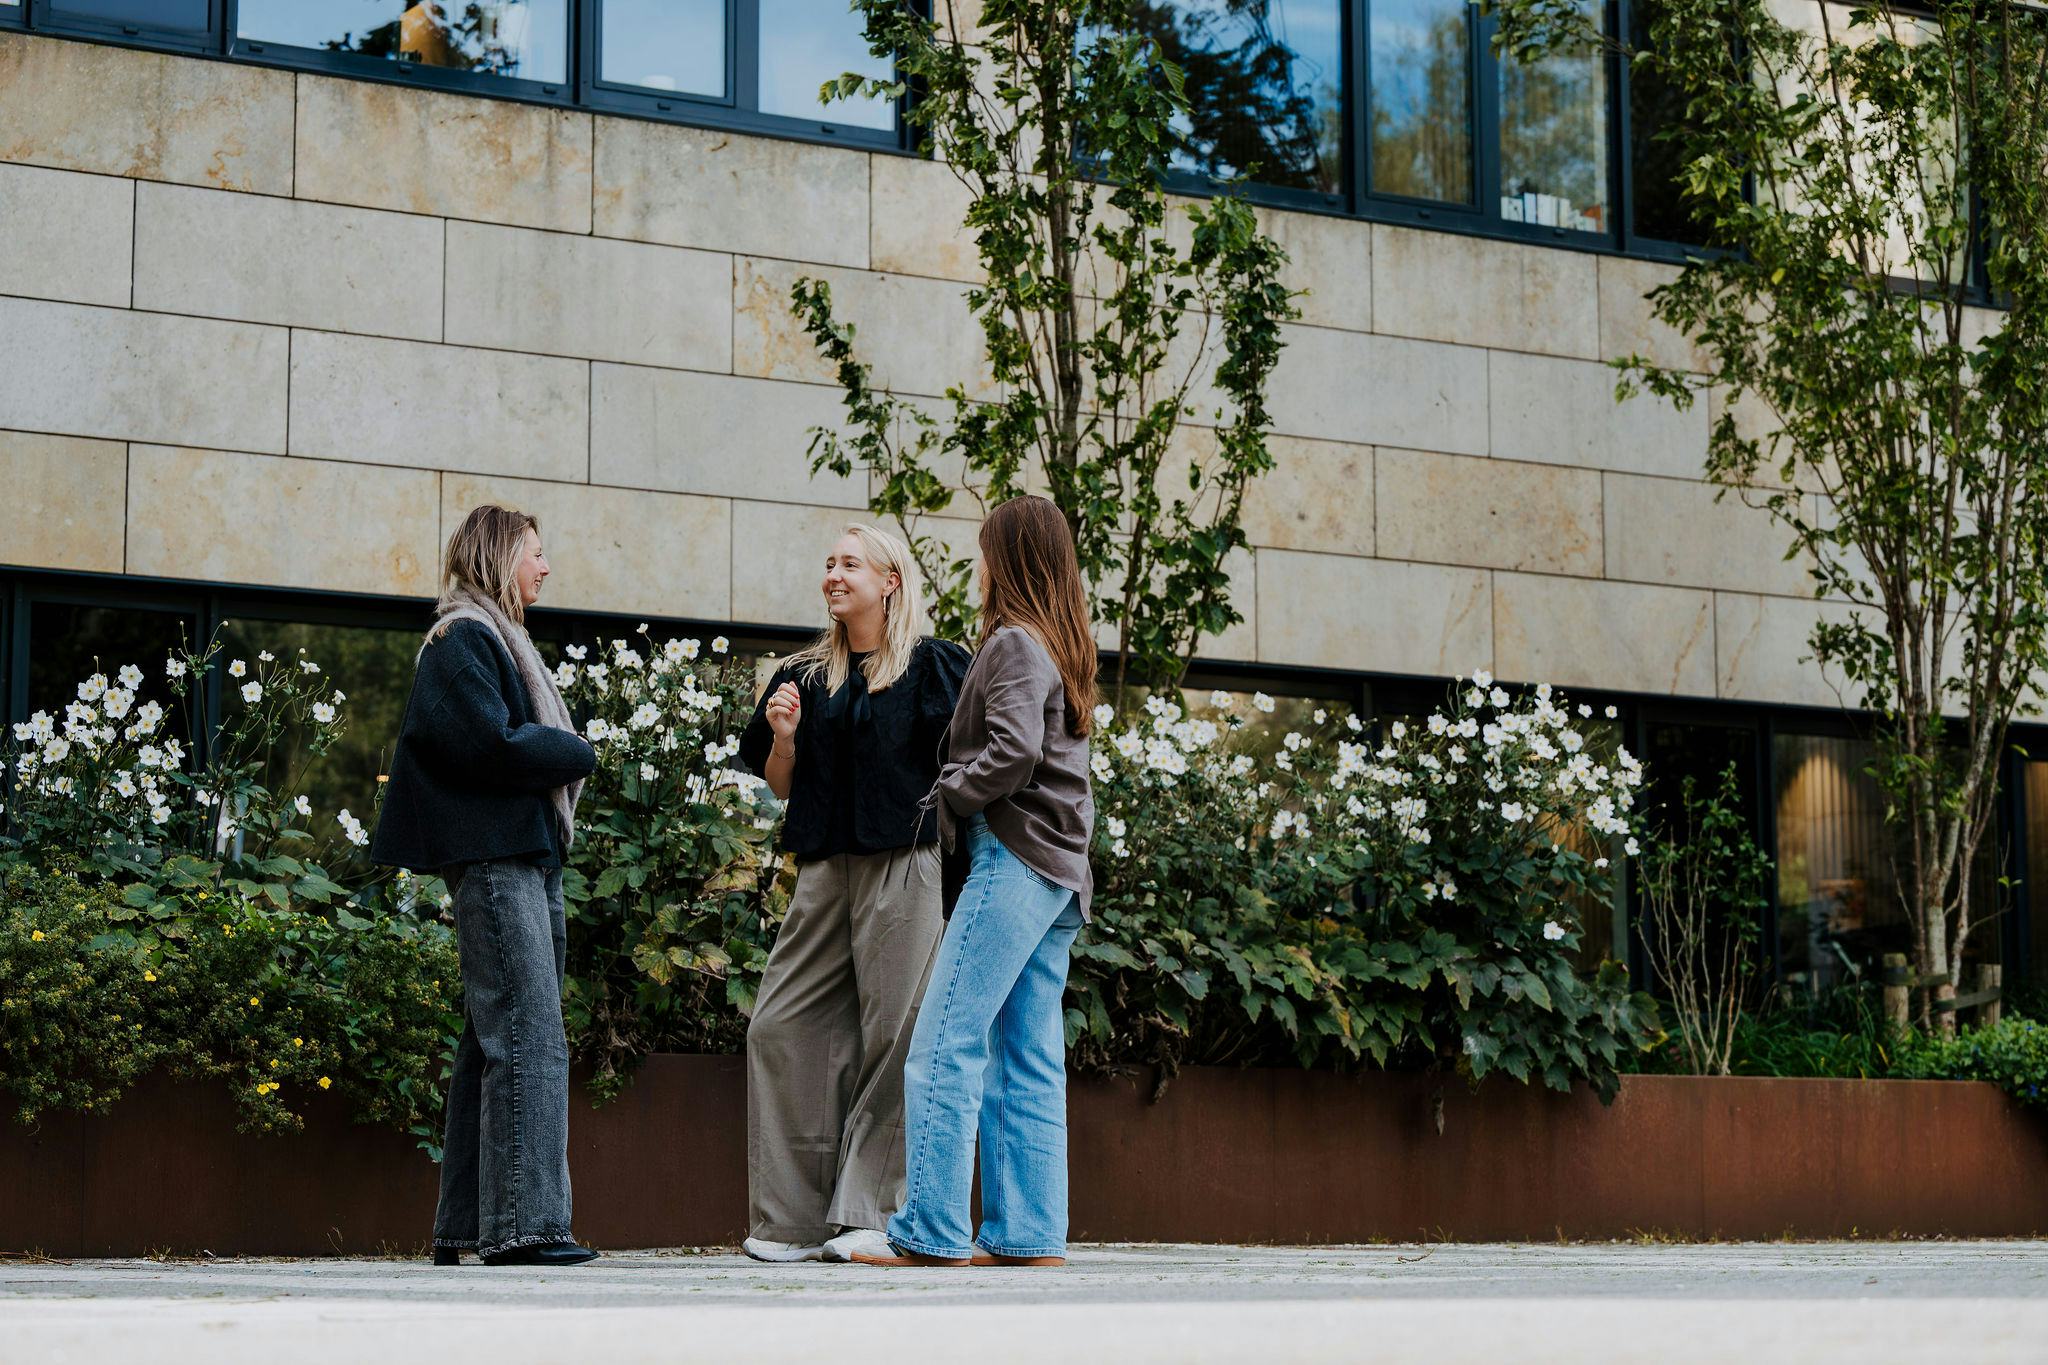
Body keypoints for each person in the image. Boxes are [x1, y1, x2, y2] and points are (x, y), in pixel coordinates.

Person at [855, 495, 1097, 1269]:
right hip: (1057, 872)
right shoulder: (1057, 643)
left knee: (944, 1039)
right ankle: (1027, 1233)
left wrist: (946, 792)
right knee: (1024, 1052)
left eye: (985, 548)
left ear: (1010, 558)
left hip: (1014, 858)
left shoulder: (1016, 643)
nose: (978, 561)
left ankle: (928, 1230)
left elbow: (1014, 751)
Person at [371, 504, 601, 1268]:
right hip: (495, 857)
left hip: (524, 855)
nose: (545, 567)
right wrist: (575, 748)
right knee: (528, 1033)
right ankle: (527, 1227)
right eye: (536, 553)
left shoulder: (490, 640)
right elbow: (488, 743)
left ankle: (465, 1226)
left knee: (491, 1036)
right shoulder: (460, 639)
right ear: (502, 557)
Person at [736, 523, 970, 1264]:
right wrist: (782, 740)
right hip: (824, 869)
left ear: (890, 580)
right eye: (829, 564)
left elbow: (972, 761)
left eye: (850, 564)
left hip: (906, 862)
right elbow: (782, 785)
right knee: (779, 1025)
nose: (834, 575)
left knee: (894, 1033)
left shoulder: (933, 667)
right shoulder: (803, 674)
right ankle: (792, 1220)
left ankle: (874, 1210)